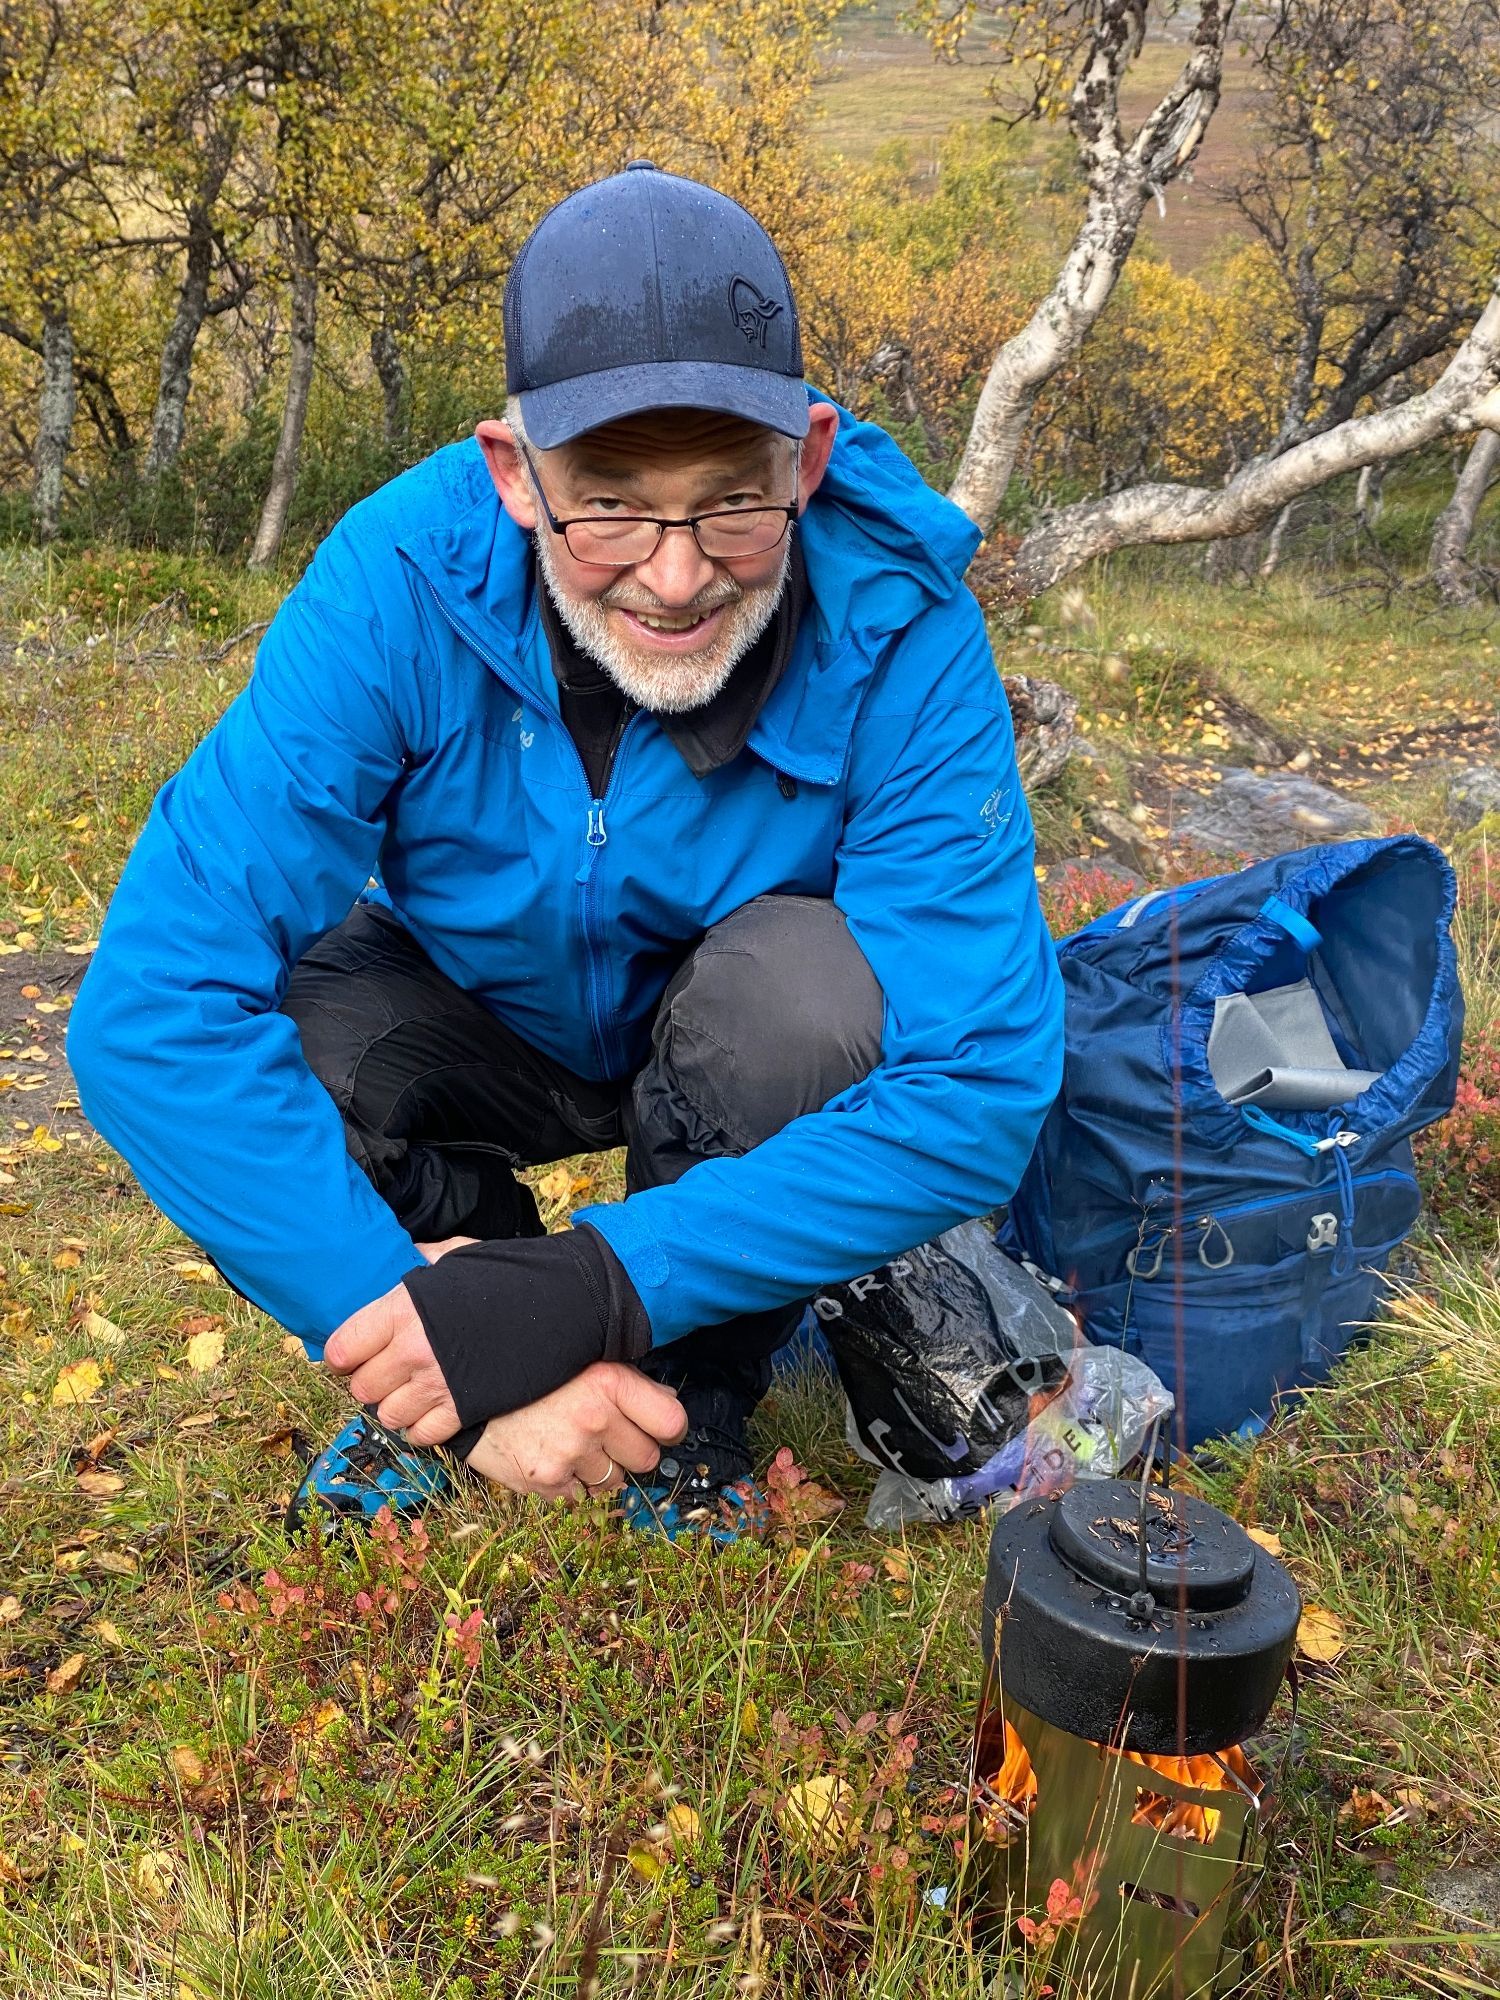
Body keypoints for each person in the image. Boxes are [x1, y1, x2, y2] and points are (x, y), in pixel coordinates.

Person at [67, 161, 1063, 1537]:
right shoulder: (395, 582)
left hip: (732, 1039)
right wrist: (455, 1351)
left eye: (732, 501)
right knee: (291, 1026)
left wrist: (608, 1282)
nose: (674, 574)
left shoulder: (903, 624)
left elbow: (984, 1085)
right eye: (608, 501)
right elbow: (145, 1008)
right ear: (515, 474)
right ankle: (433, 1349)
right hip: (472, 1003)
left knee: (814, 1001)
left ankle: (691, 1393)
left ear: (811, 458)